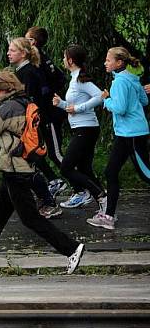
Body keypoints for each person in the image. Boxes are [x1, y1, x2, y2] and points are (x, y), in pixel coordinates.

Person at [0, 70, 84, 276]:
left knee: (30, 218)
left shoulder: (8, 107)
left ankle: (71, 248)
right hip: (17, 168)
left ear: (6, 89)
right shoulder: (23, 102)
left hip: (16, 170)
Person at [87, 47, 150, 229]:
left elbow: (120, 108)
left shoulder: (120, 82)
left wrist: (106, 99)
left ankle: (108, 215)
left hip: (132, 134)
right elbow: (144, 101)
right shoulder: (132, 78)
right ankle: (108, 217)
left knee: (146, 174)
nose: (105, 63)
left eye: (108, 60)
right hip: (125, 134)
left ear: (119, 63)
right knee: (111, 172)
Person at [7, 37, 62, 219]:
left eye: (12, 50)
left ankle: (53, 189)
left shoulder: (29, 72)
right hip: (31, 121)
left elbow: (30, 100)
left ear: (23, 53)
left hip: (36, 121)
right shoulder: (22, 71)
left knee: (35, 155)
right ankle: (46, 191)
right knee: (29, 157)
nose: (8, 53)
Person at [52, 44, 105, 208]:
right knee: (84, 168)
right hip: (83, 128)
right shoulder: (75, 79)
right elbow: (73, 105)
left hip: (86, 129)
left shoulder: (80, 79)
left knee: (66, 168)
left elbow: (100, 96)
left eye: (64, 57)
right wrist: (61, 104)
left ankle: (99, 195)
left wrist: (79, 108)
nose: (62, 60)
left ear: (70, 60)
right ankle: (104, 203)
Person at [26, 27, 68, 196]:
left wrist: (50, 97)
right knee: (39, 151)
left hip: (49, 114)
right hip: (43, 113)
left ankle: (83, 186)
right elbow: (60, 79)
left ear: (32, 42)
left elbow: (56, 81)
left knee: (56, 154)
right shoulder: (39, 61)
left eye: (26, 38)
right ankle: (55, 181)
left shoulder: (40, 62)